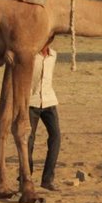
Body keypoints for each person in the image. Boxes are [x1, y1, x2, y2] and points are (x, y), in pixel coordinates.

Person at [27, 45, 61, 191]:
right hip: (31, 102)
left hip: (49, 101)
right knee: (29, 140)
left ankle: (47, 179)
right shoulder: (31, 55)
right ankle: (26, 176)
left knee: (56, 137)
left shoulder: (53, 55)